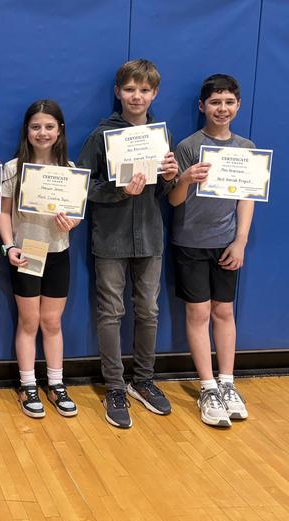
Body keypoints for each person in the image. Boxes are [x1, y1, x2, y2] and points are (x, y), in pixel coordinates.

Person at [77, 59, 179, 428]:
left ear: (154, 94)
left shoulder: (160, 136)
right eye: (130, 89)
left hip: (151, 237)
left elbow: (166, 192)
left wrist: (170, 176)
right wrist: (119, 190)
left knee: (148, 311)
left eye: (145, 90)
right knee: (111, 312)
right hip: (111, 239)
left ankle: (144, 380)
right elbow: (83, 188)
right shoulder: (100, 135)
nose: (137, 96)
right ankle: (115, 386)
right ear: (118, 92)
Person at [169, 74, 254, 427]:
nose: (222, 108)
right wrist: (186, 178)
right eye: (215, 102)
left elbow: (246, 198)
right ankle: (207, 387)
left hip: (227, 244)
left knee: (224, 312)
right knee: (199, 314)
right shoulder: (189, 146)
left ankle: (227, 383)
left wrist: (241, 240)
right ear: (202, 106)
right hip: (190, 244)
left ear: (237, 106)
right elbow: (173, 200)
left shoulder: (247, 149)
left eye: (229, 102)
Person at [0, 99, 81, 418]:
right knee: (29, 321)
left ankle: (57, 383)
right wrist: (9, 246)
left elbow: (75, 214)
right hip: (28, 251)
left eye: (49, 126)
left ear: (59, 131)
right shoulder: (12, 168)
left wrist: (72, 221)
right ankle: (28, 384)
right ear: (27, 131)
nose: (42, 132)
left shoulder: (70, 171)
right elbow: (3, 213)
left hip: (58, 251)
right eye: (36, 127)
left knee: (51, 321)